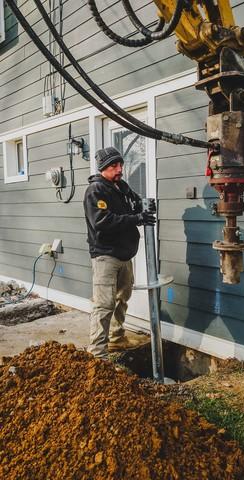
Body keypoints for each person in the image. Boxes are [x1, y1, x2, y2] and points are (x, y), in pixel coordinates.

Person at [83, 146, 156, 359]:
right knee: (104, 304)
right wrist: (136, 219)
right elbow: (102, 222)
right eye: (114, 165)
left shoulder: (121, 187)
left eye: (121, 164)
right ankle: (98, 354)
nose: (119, 169)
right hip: (106, 255)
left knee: (122, 297)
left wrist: (143, 209)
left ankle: (116, 338)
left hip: (125, 255)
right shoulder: (96, 191)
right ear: (104, 168)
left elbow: (134, 206)